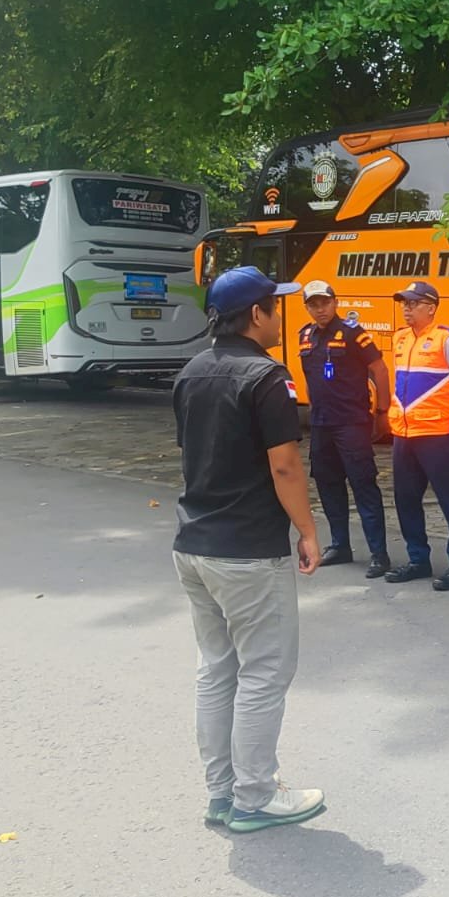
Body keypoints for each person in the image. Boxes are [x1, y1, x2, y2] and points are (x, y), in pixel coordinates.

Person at [171, 265, 326, 834]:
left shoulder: (191, 372)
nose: (281, 313)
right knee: (263, 672)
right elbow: (284, 464)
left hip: (194, 543)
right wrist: (307, 531)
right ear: (256, 314)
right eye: (274, 304)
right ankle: (255, 796)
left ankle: (222, 792)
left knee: (217, 670)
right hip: (247, 549)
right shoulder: (266, 376)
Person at [382, 280, 449, 591]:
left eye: (413, 303)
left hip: (436, 433)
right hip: (404, 434)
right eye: (404, 304)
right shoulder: (399, 339)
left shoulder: (447, 341)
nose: (406, 309)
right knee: (406, 499)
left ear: (431, 307)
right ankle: (418, 559)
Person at [297, 280, 393, 578]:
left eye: (324, 302)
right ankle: (340, 545)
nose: (320, 309)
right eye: (313, 304)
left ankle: (379, 554)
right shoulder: (305, 335)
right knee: (327, 484)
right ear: (307, 307)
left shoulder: (354, 334)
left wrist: (382, 411)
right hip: (321, 424)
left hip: (352, 423)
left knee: (363, 484)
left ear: (335, 302)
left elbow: (379, 369)